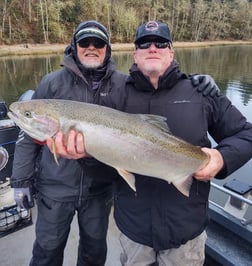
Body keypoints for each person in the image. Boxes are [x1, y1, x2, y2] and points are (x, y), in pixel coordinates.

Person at [49, 21, 252, 266]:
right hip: (134, 234)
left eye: (161, 42)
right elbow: (105, 173)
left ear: (171, 51)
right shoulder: (114, 98)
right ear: (135, 53)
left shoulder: (202, 93)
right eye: (144, 43)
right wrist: (86, 156)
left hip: (186, 233)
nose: (152, 47)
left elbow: (246, 134)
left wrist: (221, 159)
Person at [10, 20, 129, 266]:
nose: (91, 47)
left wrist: (193, 83)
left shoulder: (123, 85)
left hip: (99, 189)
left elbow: (154, 94)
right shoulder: (51, 83)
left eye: (99, 43)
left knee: (94, 254)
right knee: (46, 253)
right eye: (85, 42)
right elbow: (28, 139)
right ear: (74, 46)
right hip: (55, 188)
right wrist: (21, 182)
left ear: (108, 48)